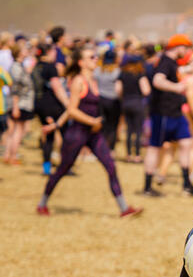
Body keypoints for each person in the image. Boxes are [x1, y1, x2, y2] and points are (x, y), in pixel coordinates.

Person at [36, 46, 142, 218]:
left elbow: (70, 108)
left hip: (93, 134)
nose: (95, 59)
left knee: (110, 165)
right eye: (91, 57)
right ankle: (42, 204)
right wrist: (92, 121)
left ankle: (124, 209)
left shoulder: (94, 80)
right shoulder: (79, 81)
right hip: (77, 133)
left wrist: (56, 125)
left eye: (95, 56)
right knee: (63, 168)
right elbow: (72, 110)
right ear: (81, 62)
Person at [142, 34, 193, 196]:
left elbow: (174, 71)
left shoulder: (170, 62)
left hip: (175, 113)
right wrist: (177, 87)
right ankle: (147, 187)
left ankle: (187, 185)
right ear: (178, 47)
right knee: (155, 148)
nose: (187, 51)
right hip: (163, 114)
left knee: (187, 143)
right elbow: (158, 81)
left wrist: (187, 69)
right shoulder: (165, 61)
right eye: (186, 48)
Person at [32, 43, 69, 176]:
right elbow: (57, 87)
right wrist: (68, 104)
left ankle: (46, 167)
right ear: (48, 52)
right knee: (64, 134)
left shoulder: (36, 66)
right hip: (52, 105)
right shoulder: (50, 67)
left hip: (39, 105)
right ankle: (65, 166)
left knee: (48, 137)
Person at [5, 42, 36, 164]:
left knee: (13, 130)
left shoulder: (18, 66)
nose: (26, 51)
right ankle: (13, 156)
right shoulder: (17, 67)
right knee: (19, 130)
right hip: (20, 103)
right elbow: (16, 88)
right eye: (24, 49)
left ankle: (8, 155)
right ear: (18, 52)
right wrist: (16, 106)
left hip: (19, 103)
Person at [116, 54, 151, 163]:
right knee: (138, 130)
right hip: (137, 103)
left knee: (129, 130)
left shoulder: (122, 74)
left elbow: (118, 90)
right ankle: (137, 155)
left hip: (126, 103)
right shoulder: (140, 74)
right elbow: (146, 90)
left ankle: (128, 155)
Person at [95, 48, 122, 151]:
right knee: (113, 126)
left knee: (103, 125)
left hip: (101, 100)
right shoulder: (117, 71)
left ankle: (101, 147)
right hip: (113, 101)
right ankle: (111, 149)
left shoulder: (98, 70)